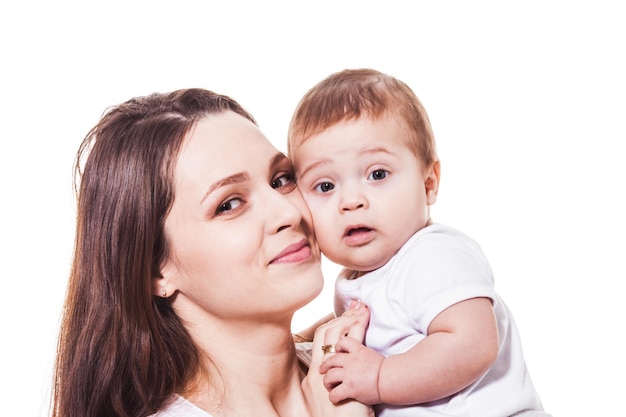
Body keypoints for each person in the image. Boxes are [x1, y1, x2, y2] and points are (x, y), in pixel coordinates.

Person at [50, 88, 374, 417]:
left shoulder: (371, 363)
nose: (288, 214)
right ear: (155, 270)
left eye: (281, 180)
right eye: (229, 204)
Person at [287, 69, 549, 417]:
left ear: (429, 183)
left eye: (377, 174)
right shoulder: (361, 278)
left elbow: (473, 344)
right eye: (325, 186)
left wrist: (380, 377)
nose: (351, 200)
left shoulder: (433, 256)